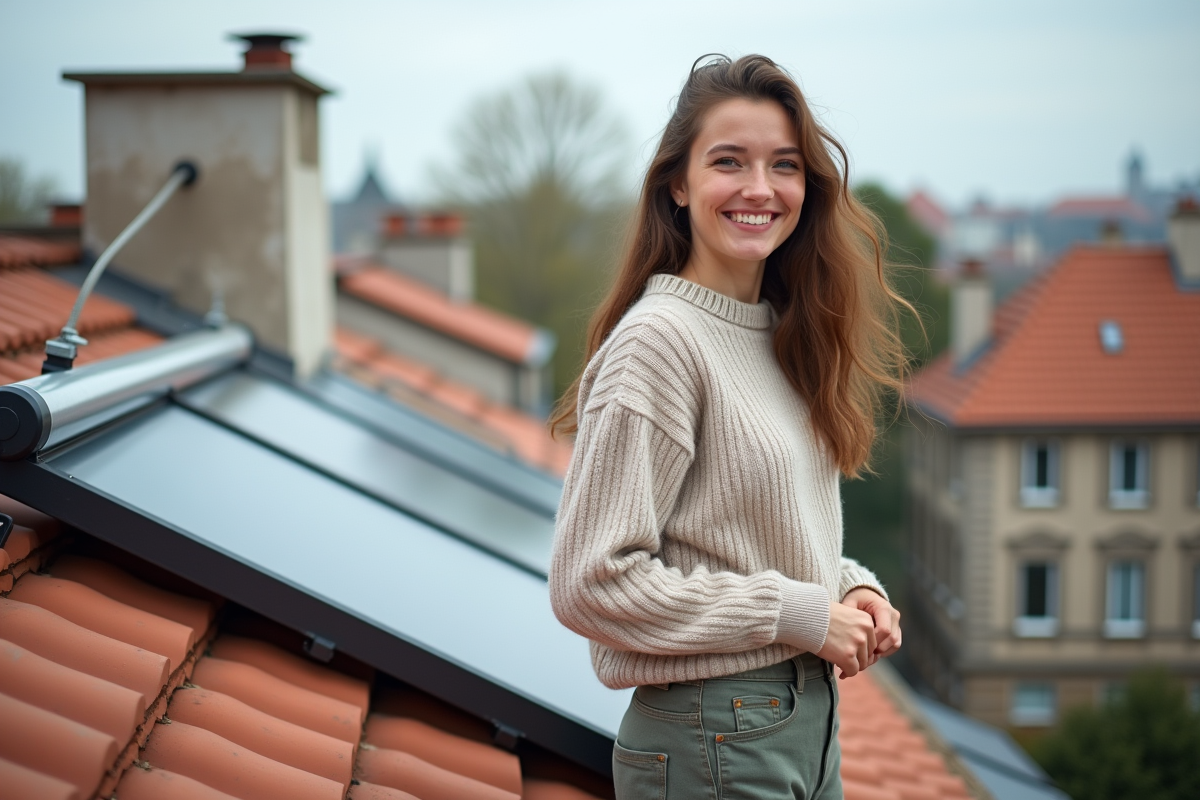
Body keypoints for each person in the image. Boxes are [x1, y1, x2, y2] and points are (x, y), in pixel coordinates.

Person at [548, 54, 910, 799]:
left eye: (784, 165)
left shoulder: (779, 333)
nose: (760, 188)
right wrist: (800, 612)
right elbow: (590, 582)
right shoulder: (659, 343)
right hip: (715, 735)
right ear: (677, 184)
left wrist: (850, 591)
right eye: (728, 161)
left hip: (802, 724)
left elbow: (746, 535)